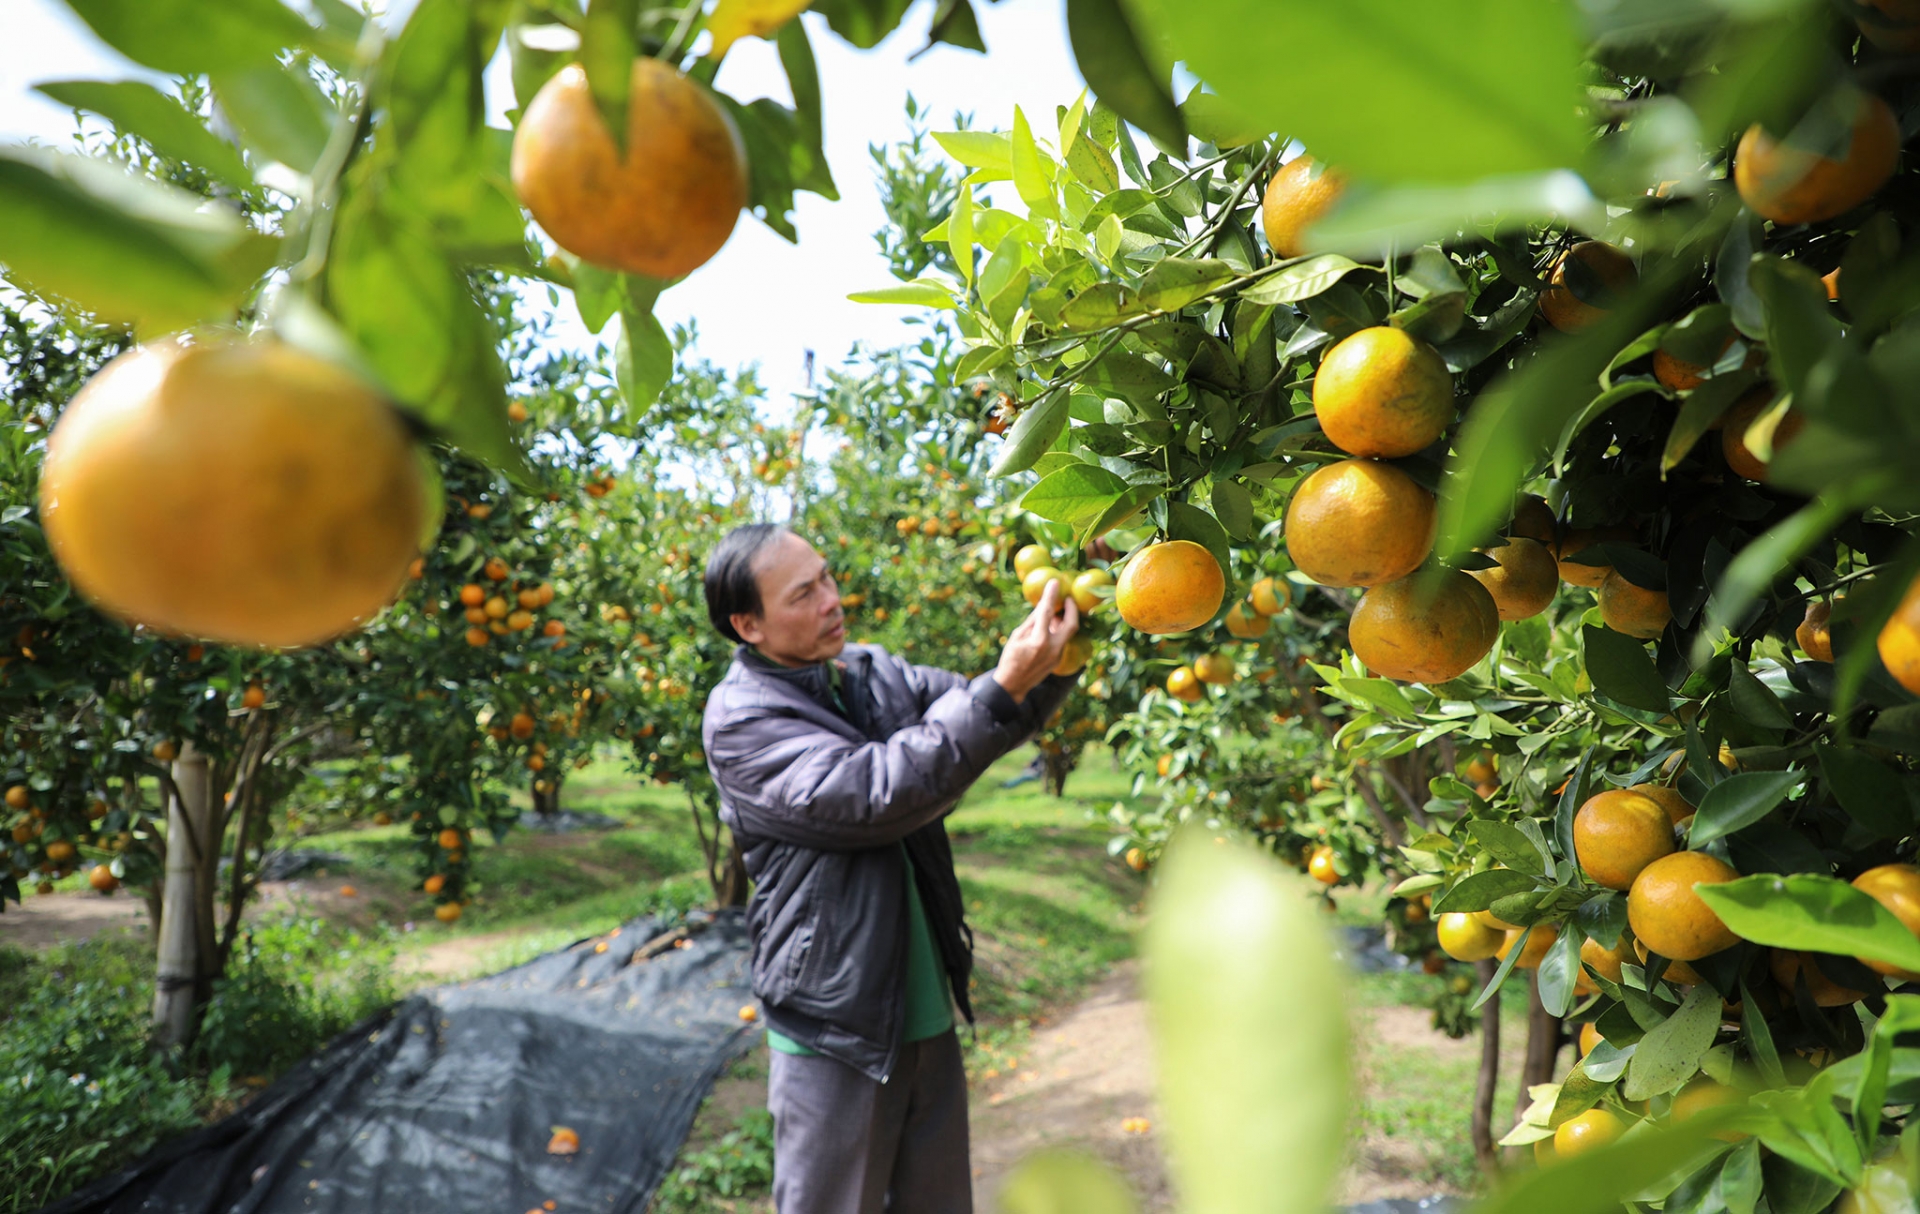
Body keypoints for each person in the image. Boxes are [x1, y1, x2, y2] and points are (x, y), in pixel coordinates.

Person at [700, 523, 1080, 1214]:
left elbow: (985, 714)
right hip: (836, 1024)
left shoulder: (869, 671)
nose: (832, 600)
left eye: (827, 577)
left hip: (923, 1004)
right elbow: (876, 792)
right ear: (747, 624)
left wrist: (1064, 651)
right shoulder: (741, 720)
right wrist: (1003, 685)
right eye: (805, 592)